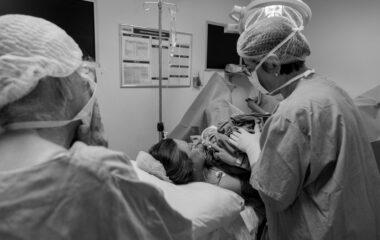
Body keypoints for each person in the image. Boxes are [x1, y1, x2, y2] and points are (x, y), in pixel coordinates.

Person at [0, 14, 192, 240]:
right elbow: (172, 233)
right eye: (80, 79)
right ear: (59, 86)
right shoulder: (97, 175)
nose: (88, 89)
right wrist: (97, 155)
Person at [229, 15, 380, 240]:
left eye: (251, 68)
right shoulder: (331, 90)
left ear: (272, 64)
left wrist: (252, 148)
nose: (250, 76)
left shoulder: (292, 113)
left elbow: (274, 196)